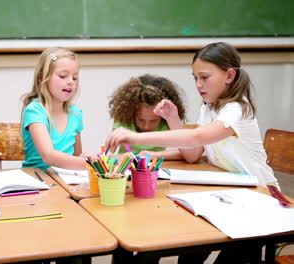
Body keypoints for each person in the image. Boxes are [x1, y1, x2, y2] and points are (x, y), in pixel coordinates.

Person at [105, 42, 279, 263]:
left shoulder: (237, 109)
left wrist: (136, 138)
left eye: (204, 77)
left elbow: (197, 137)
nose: (198, 84)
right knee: (190, 248)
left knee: (214, 249)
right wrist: (173, 119)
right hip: (232, 191)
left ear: (229, 75)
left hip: (261, 195)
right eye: (195, 78)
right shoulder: (208, 107)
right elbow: (192, 154)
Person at [20, 47, 87, 171]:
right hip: (37, 181)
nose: (71, 82)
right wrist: (89, 164)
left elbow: (76, 158)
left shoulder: (76, 113)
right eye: (63, 76)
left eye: (75, 78)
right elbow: (48, 156)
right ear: (42, 78)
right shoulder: (35, 111)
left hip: (65, 182)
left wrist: (87, 159)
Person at [108, 74, 186, 159]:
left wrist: (153, 155)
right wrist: (123, 157)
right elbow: (106, 155)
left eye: (153, 121)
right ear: (132, 112)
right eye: (141, 120)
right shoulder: (124, 118)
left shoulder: (167, 119)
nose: (146, 126)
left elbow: (187, 154)